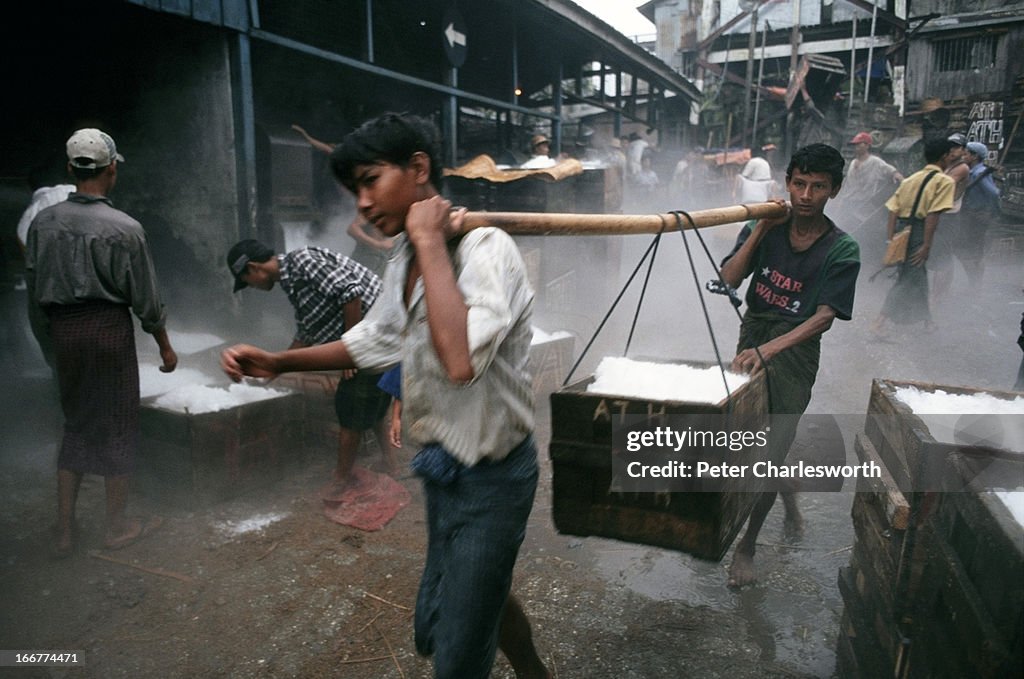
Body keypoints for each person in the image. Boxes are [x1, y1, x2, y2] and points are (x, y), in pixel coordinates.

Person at [221, 112, 550, 679]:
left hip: (496, 476)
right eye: (355, 192)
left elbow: (460, 362)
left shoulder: (484, 249)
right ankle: (534, 669)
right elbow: (372, 341)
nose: (364, 205)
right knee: (449, 615)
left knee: (454, 651)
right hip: (443, 465)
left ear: (418, 169)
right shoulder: (405, 258)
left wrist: (427, 239)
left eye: (371, 181)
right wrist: (278, 362)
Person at [24, 128, 178, 558]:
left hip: (64, 334)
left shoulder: (43, 223)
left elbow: (36, 295)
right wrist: (164, 345)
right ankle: (117, 526)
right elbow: (145, 297)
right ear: (111, 169)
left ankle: (63, 530)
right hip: (107, 333)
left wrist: (49, 345)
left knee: (75, 424)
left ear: (71, 169)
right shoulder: (124, 228)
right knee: (118, 423)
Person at [718, 143, 860, 587]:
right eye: (799, 183)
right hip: (753, 333)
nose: (805, 194)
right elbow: (730, 279)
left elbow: (823, 318)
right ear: (787, 183)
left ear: (833, 191)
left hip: (795, 350)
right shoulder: (769, 226)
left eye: (818, 186)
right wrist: (760, 230)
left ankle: (746, 546)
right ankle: (788, 495)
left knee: (772, 445)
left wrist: (771, 350)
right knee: (744, 436)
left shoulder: (842, 248)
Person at [225, 239, 397, 492]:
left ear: (253, 268)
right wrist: (274, 367)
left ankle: (341, 478)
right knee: (373, 403)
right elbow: (306, 333)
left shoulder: (303, 261)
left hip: (374, 334)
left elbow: (351, 292)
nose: (252, 287)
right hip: (374, 336)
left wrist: (350, 348)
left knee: (349, 405)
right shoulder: (293, 282)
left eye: (246, 281)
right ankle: (390, 463)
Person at [870, 137, 958, 337]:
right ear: (944, 157)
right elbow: (933, 214)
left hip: (901, 229)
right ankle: (878, 322)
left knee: (916, 275)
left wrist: (891, 239)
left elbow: (893, 211)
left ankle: (927, 321)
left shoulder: (910, 179)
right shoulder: (944, 181)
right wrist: (926, 245)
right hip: (919, 231)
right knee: (908, 278)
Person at [929, 132, 969, 300]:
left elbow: (942, 184)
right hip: (940, 214)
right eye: (950, 147)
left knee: (943, 257)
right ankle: (939, 292)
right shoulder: (947, 165)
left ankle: (937, 295)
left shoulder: (961, 168)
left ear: (963, 150)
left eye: (957, 147)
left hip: (950, 216)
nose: (953, 151)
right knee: (939, 255)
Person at [955, 141, 1000, 284]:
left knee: (972, 252)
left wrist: (991, 212)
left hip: (977, 217)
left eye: (967, 153)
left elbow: (993, 194)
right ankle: (974, 283)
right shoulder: (973, 172)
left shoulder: (980, 173)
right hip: (971, 216)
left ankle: (975, 284)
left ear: (974, 156)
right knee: (970, 251)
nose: (963, 155)